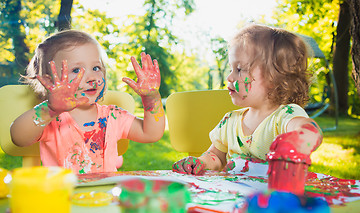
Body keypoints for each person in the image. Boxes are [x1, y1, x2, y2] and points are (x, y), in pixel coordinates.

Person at [172, 24, 323, 175]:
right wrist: (201, 162)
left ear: (273, 77)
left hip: (273, 196)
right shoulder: (230, 121)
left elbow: (310, 131)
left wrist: (295, 142)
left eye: (239, 69)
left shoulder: (284, 116)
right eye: (231, 69)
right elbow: (216, 156)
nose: (229, 77)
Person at [10, 30, 165, 174]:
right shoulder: (52, 120)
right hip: (65, 197)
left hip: (105, 198)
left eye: (96, 68)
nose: (91, 77)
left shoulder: (113, 117)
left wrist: (151, 98)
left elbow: (151, 133)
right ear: (50, 82)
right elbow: (18, 138)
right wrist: (49, 109)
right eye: (76, 70)